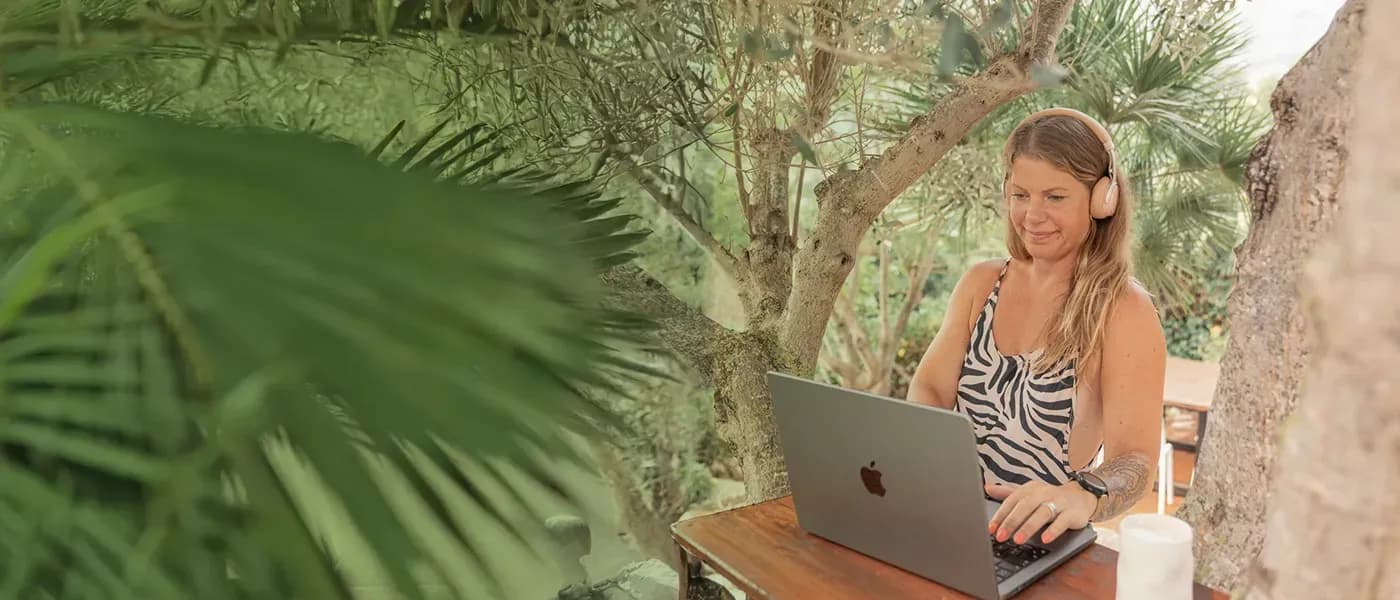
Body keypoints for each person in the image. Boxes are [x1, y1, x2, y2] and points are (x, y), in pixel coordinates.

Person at [907, 108, 1166, 548]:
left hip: (1038, 543)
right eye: (1020, 194)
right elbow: (929, 390)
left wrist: (1082, 495)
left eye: (1055, 197)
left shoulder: (1124, 310)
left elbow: (1136, 461)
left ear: (1102, 200)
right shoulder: (980, 283)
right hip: (946, 518)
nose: (1032, 215)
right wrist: (936, 464)